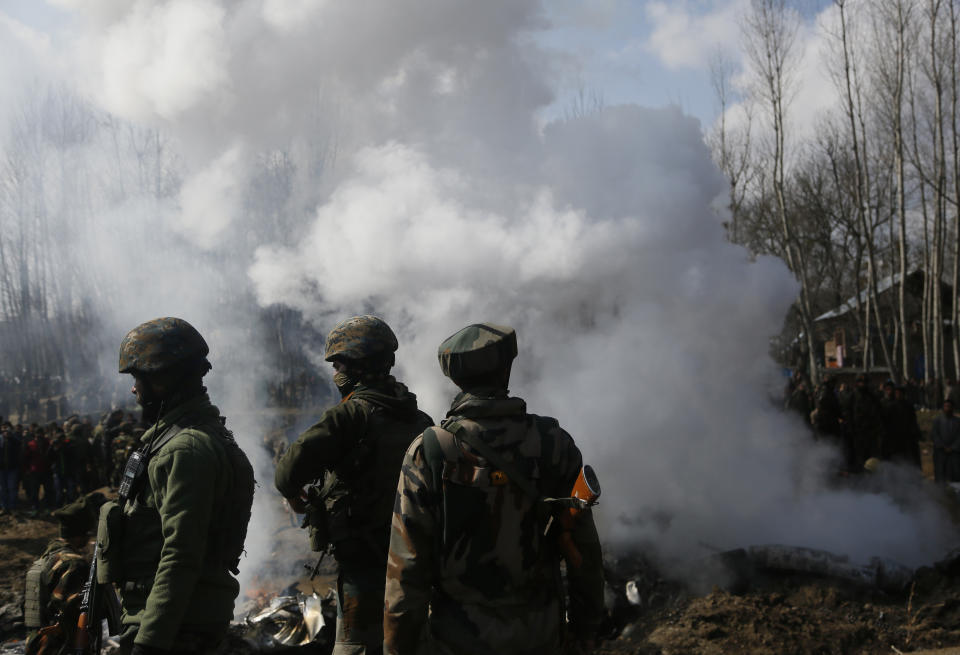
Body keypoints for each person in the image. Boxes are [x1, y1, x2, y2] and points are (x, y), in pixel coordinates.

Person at [384, 323, 605, 655]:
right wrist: (587, 626)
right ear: (507, 367)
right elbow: (582, 548)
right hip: (541, 634)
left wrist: (398, 647)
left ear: (454, 378)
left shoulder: (430, 450)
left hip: (457, 639)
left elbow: (406, 569)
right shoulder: (552, 443)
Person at [96, 317, 255, 655]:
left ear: (164, 380)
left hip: (176, 628)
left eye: (138, 377)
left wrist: (150, 641)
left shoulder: (185, 448)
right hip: (176, 620)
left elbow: (181, 553)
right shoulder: (181, 438)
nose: (133, 388)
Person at [275, 315, 433, 655]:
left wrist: (295, 496)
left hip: (364, 568)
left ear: (354, 369)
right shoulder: (420, 420)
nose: (335, 374)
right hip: (416, 566)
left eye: (338, 365)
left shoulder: (348, 416)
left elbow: (287, 473)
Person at [24, 491, 106, 655]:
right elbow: (77, 611)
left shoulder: (46, 558)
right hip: (59, 647)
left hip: (36, 644)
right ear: (80, 532)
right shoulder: (73, 563)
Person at [931, 398, 960, 483]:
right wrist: (942, 446)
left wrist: (953, 447)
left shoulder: (957, 421)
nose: (947, 408)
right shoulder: (937, 420)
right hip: (940, 451)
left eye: (949, 406)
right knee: (940, 474)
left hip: (954, 452)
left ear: (953, 408)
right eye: (946, 406)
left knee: (955, 474)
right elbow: (934, 435)